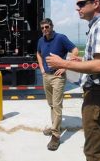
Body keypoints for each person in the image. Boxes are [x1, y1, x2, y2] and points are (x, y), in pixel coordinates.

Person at [46, 0, 100, 160]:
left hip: (99, 97)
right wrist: (81, 61)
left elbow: (99, 66)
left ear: (96, 3)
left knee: (96, 152)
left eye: (81, 3)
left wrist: (63, 63)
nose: (77, 8)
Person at [36, 18, 79, 151]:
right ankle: (55, 126)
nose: (45, 30)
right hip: (46, 76)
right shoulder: (41, 40)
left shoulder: (60, 38)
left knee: (57, 105)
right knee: (51, 105)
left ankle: (55, 135)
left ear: (52, 26)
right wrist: (42, 68)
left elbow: (75, 50)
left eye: (47, 27)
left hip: (58, 77)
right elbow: (38, 53)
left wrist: (66, 66)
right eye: (42, 28)